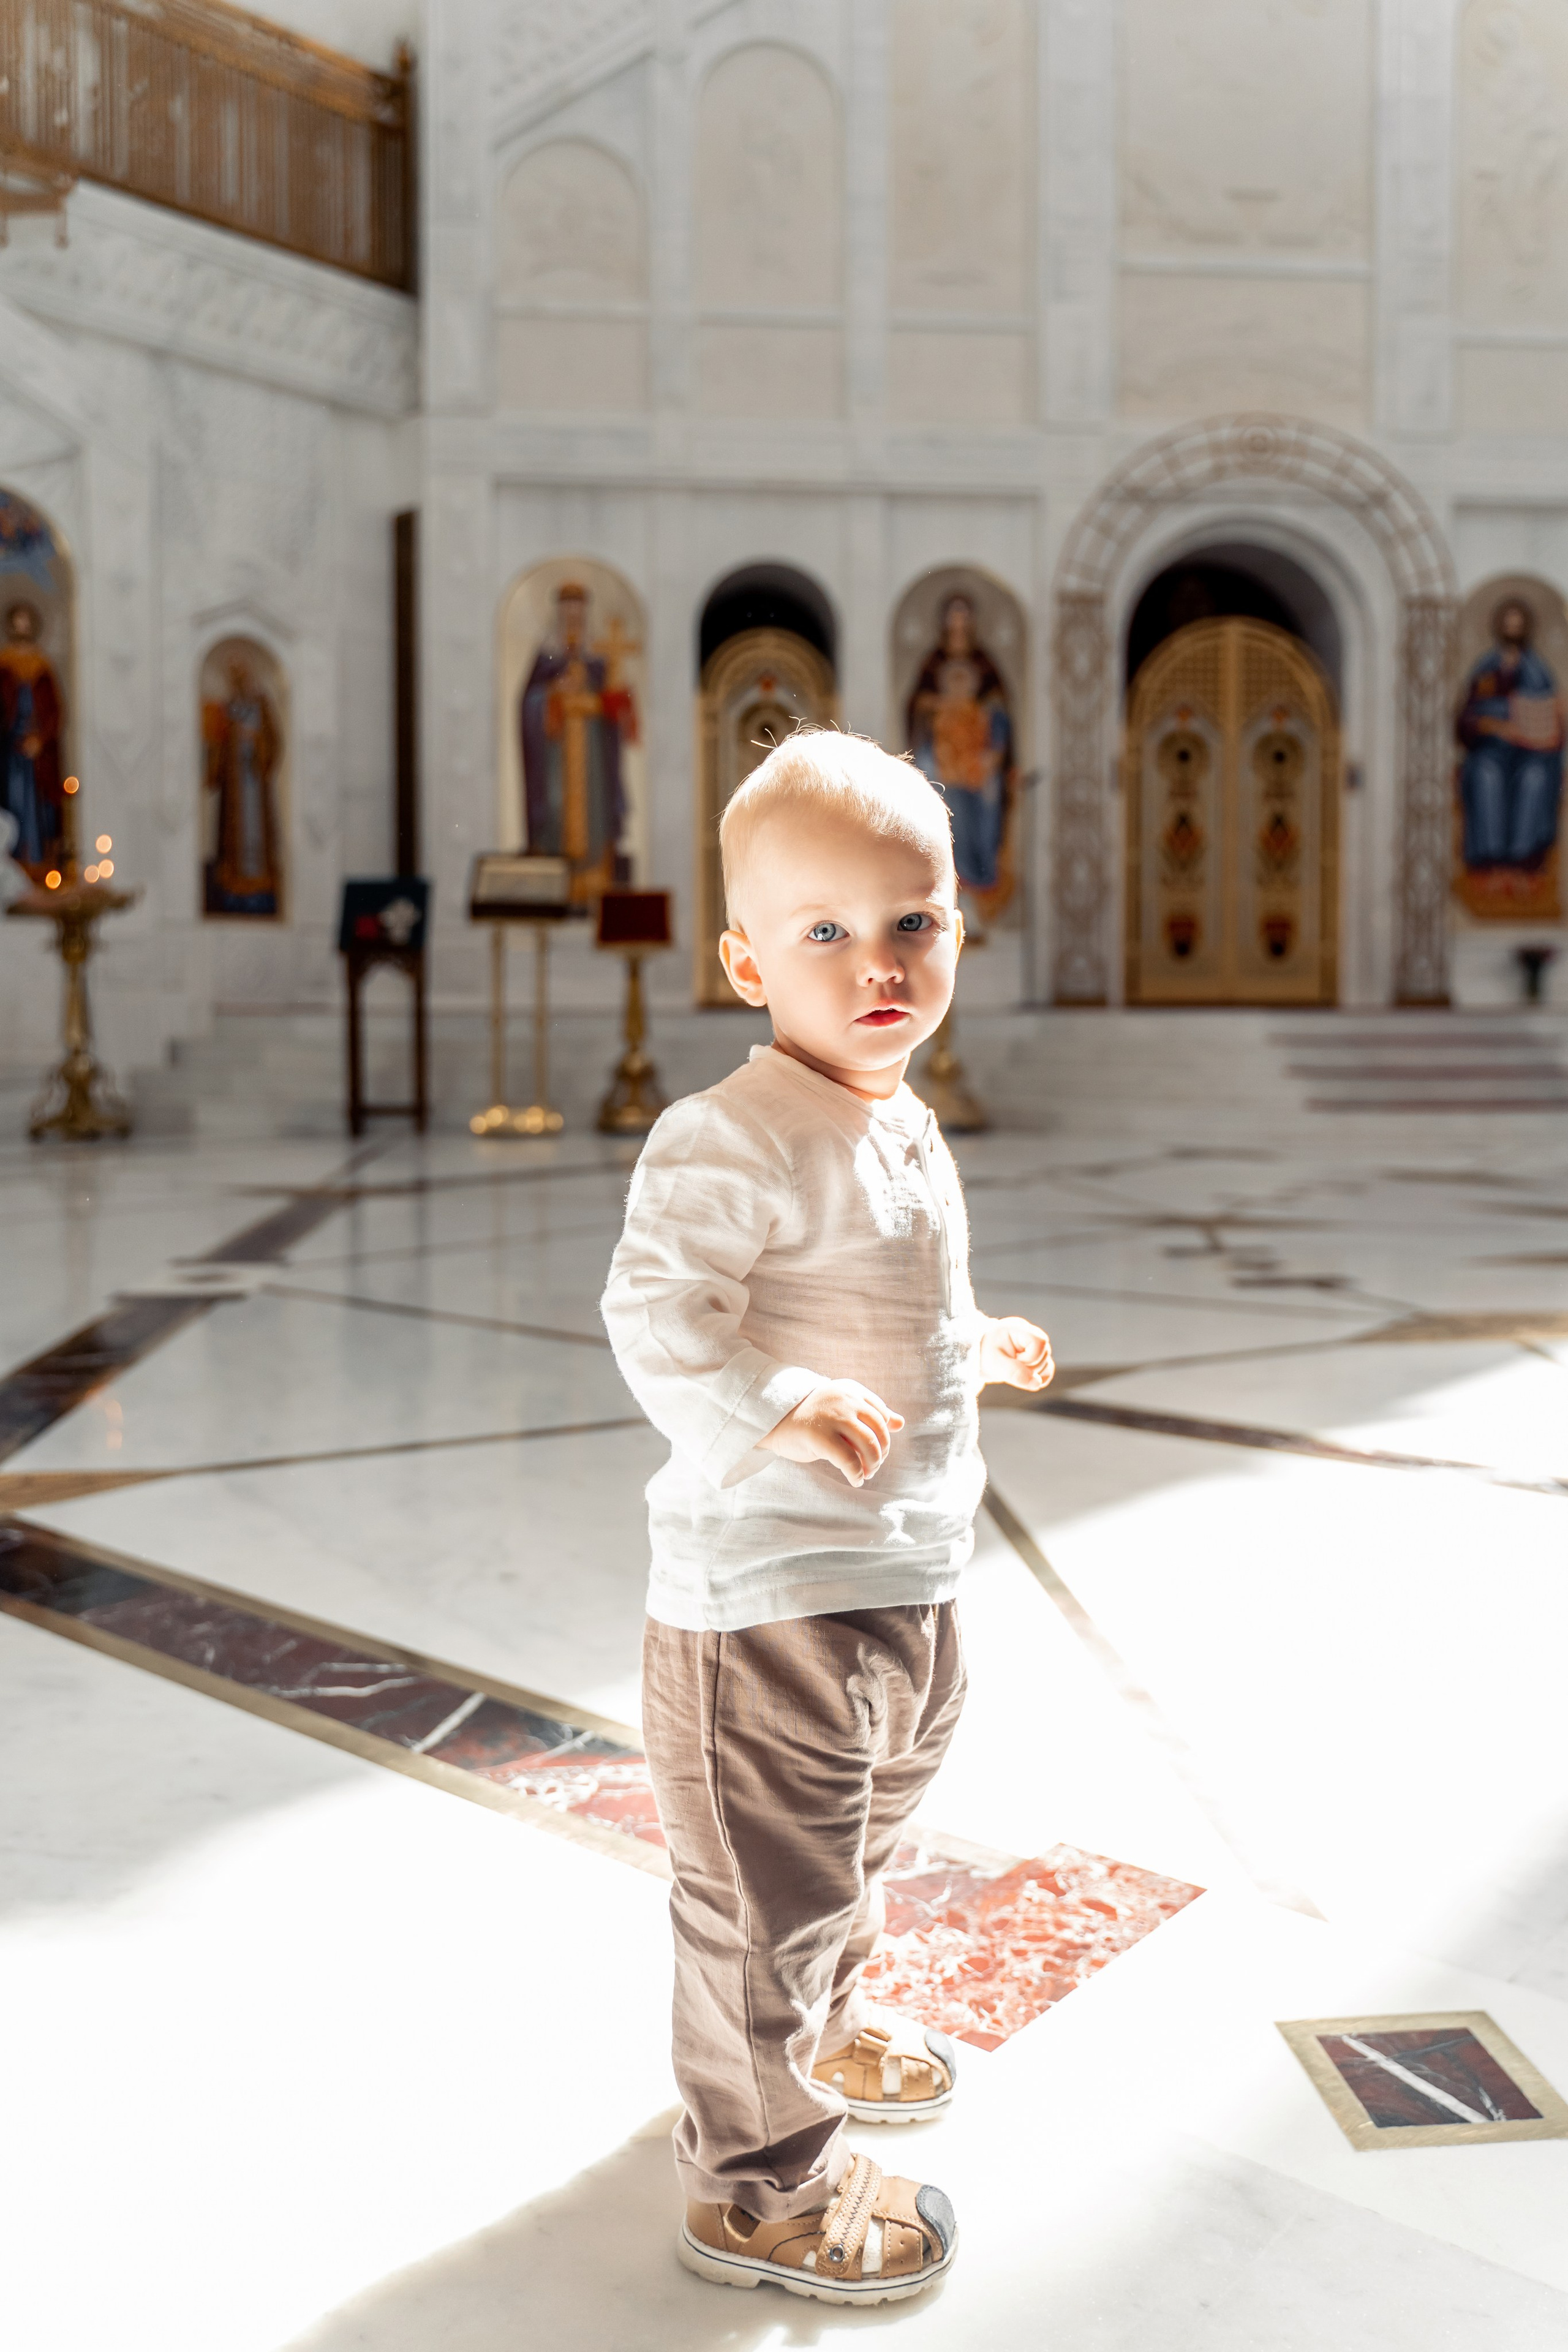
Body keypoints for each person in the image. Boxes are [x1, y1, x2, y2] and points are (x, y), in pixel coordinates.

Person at [601, 729, 1054, 2306]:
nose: (878, 964)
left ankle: (820, 2026)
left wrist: (971, 1343)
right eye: (824, 932)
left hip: (905, 1580)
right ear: (746, 963)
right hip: (766, 1609)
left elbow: (889, 1295)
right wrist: (771, 1402)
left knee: (850, 1860)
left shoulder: (900, 1120)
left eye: (910, 922)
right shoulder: (727, 1131)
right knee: (763, 1904)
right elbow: (658, 1315)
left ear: (956, 929)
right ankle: (755, 2187)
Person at [519, 581, 638, 902]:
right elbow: (528, 705)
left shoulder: (599, 659)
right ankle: (555, 888)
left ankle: (596, 884)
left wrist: (607, 700)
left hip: (593, 753)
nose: (573, 618)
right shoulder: (546, 659)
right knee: (555, 808)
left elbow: (614, 704)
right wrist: (553, 693)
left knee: (595, 811)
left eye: (578, 612)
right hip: (555, 754)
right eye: (567, 612)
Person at [906, 592, 1015, 920]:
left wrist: (992, 750)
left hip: (977, 764)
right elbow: (918, 708)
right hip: (945, 762)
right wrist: (942, 707)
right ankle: (948, 881)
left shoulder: (985, 664)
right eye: (953, 615)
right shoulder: (933, 663)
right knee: (948, 809)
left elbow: (999, 713)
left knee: (983, 814)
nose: (958, 621)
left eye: (963, 614)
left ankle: (978, 884)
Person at [1455, 596, 1564, 904]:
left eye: (1518, 625)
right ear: (1499, 628)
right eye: (1508, 624)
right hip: (1490, 750)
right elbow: (1465, 719)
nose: (1513, 629)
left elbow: (1553, 720)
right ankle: (1490, 867)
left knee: (1535, 779)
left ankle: (1524, 866)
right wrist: (1494, 725)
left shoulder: (1539, 670)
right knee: (1485, 775)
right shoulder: (1486, 668)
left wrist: (1547, 726)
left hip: (1532, 754)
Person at [0, 599, 64, 877]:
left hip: (36, 751)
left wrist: (41, 739)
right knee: (12, 803)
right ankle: (12, 863)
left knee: (37, 807)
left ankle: (38, 861)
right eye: (18, 621)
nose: (22, 626)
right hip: (9, 749)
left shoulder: (42, 666)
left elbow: (54, 712)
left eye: (26, 621)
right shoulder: (4, 663)